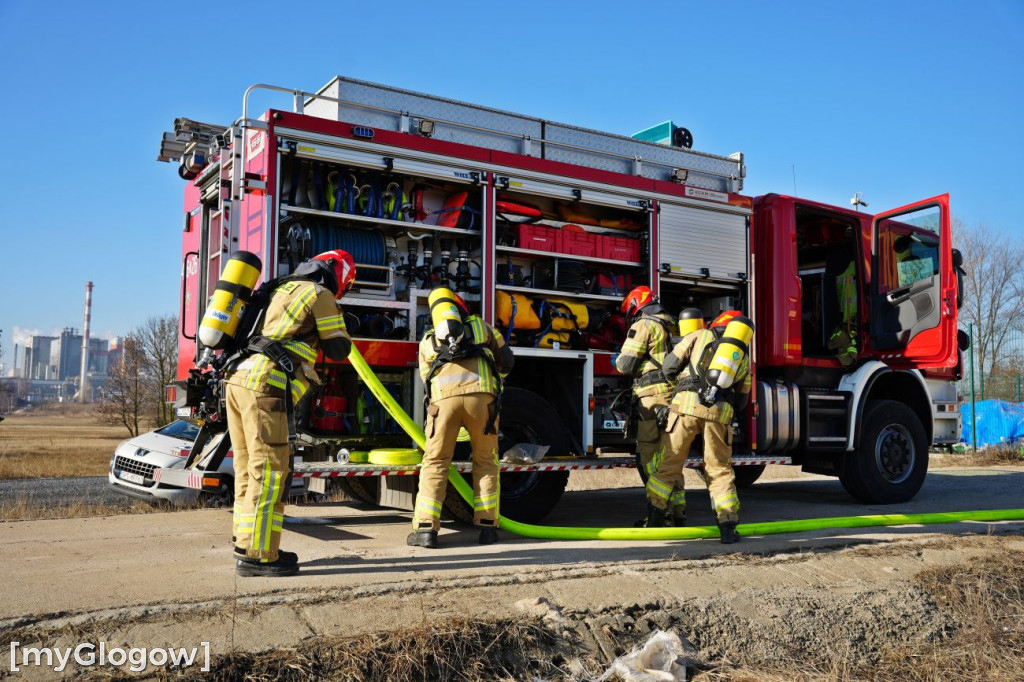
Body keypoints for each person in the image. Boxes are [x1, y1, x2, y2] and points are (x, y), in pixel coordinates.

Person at [225, 250, 356, 576]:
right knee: (270, 473)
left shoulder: (276, 288)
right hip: (266, 388)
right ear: (336, 276)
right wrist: (338, 318)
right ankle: (259, 556)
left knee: (246, 470)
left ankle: (244, 542)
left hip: (237, 381)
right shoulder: (319, 293)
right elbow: (339, 348)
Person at [409, 292, 514, 549]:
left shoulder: (427, 341)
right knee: (486, 463)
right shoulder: (481, 326)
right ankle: (487, 528)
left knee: (435, 462)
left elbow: (426, 378)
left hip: (444, 404)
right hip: (483, 403)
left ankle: (425, 530)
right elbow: (508, 361)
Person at [647, 310, 752, 543]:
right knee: (719, 470)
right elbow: (743, 400)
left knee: (669, 463)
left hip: (684, 409)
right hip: (719, 415)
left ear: (715, 325)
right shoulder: (741, 354)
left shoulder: (698, 335)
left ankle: (654, 517)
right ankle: (727, 527)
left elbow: (669, 367)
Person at [613, 286, 681, 524]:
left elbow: (625, 365)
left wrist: (618, 358)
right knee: (670, 457)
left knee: (648, 457)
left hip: (652, 398)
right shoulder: (674, 324)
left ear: (635, 305)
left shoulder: (644, 325)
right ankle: (677, 513)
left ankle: (658, 513)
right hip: (676, 397)